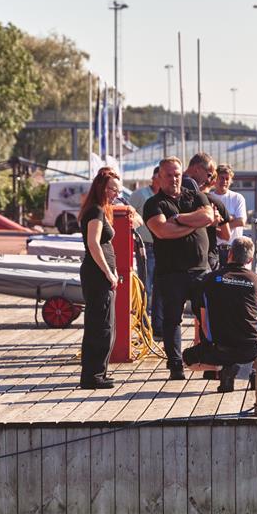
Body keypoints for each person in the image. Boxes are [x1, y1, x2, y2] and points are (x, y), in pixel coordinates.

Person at [143, 156, 214, 381]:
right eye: (169, 175)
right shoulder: (153, 204)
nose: (174, 179)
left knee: (206, 317)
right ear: (159, 177)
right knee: (172, 319)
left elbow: (209, 216)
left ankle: (206, 360)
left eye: (177, 174)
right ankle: (175, 365)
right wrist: (193, 225)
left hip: (200, 270)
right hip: (171, 273)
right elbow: (163, 231)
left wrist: (180, 219)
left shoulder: (196, 195)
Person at [183, 236, 257, 392]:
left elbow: (202, 318)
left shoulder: (208, 279)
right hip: (251, 348)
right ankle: (255, 370)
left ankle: (224, 368)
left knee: (187, 360)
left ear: (230, 255)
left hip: (219, 349)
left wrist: (203, 344)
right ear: (249, 261)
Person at [77, 167, 122, 389]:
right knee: (100, 325)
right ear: (102, 188)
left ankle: (99, 371)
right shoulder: (95, 212)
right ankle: (92, 376)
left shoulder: (101, 210)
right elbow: (94, 244)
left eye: (117, 190)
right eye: (113, 189)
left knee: (107, 324)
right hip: (97, 275)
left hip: (101, 275)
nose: (115, 193)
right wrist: (108, 272)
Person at [129, 165, 163, 337]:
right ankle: (143, 323)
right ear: (154, 178)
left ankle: (158, 325)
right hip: (146, 246)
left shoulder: (165, 196)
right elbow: (128, 213)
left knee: (160, 288)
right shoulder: (140, 195)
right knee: (146, 287)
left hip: (162, 246)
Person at [212, 164, 247, 266]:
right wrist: (231, 219)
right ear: (215, 179)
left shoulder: (237, 198)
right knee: (216, 280)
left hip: (234, 249)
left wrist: (220, 225)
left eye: (227, 179)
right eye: (221, 178)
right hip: (215, 250)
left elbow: (241, 221)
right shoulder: (209, 197)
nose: (224, 181)